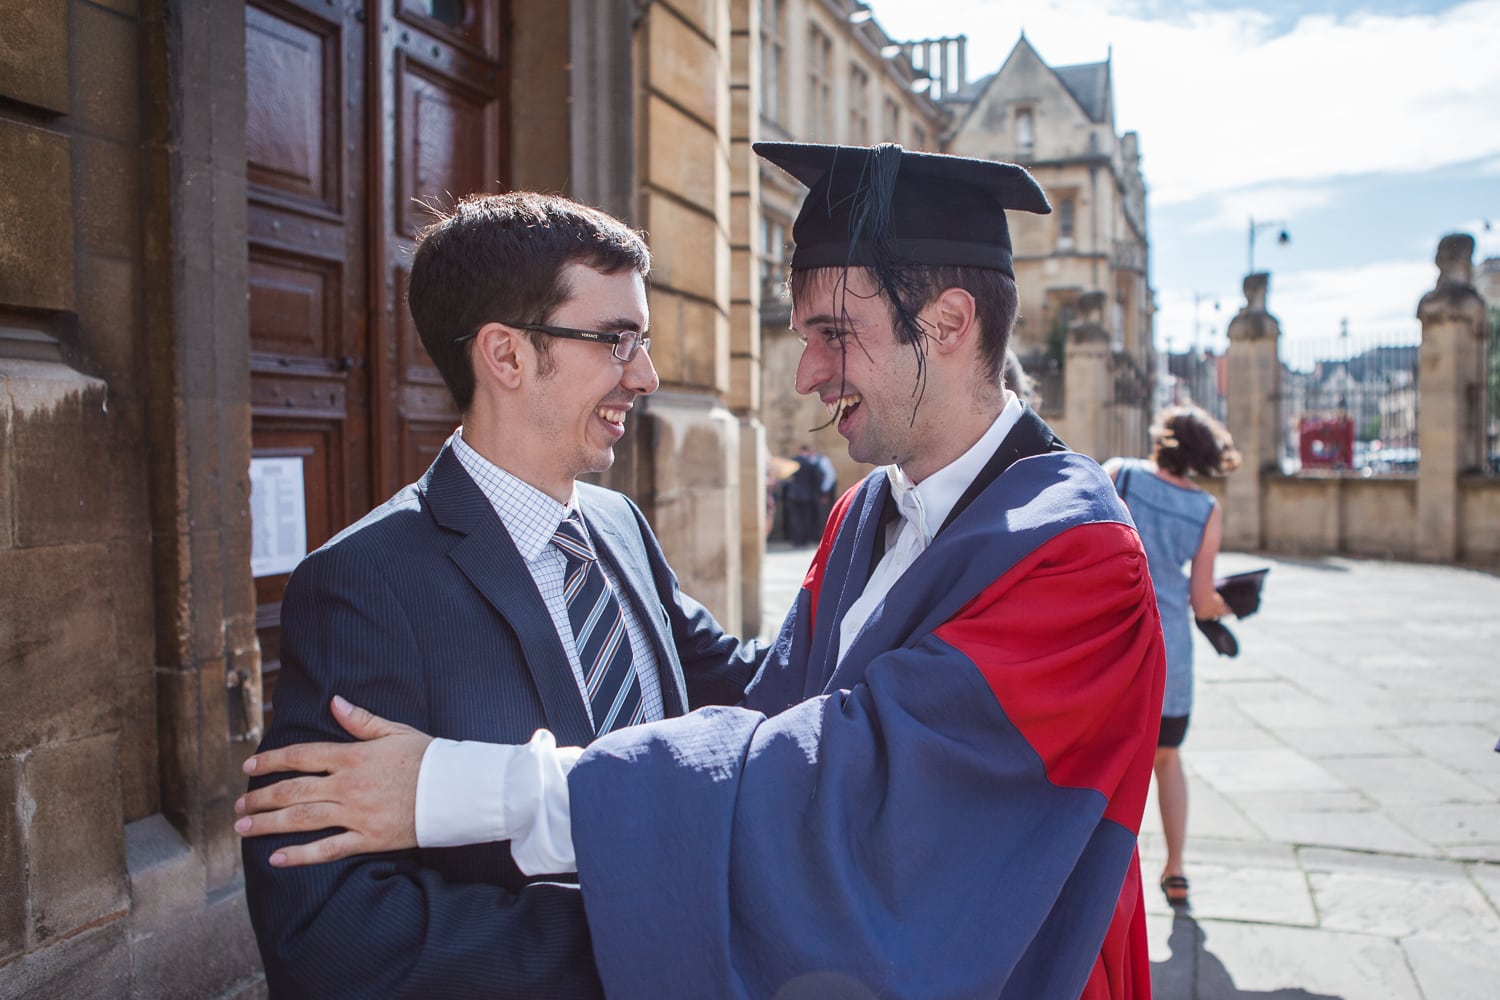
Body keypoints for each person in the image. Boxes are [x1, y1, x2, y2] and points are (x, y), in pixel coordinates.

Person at [238, 143, 1167, 999]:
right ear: (506, 354)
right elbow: (766, 705)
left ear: (951, 322)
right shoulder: (861, 518)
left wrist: (463, 789)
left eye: (835, 333)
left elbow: (844, 776)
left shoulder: (1076, 556)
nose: (806, 374)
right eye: (617, 341)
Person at [239, 191, 766, 998]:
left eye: (644, 341)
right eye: (617, 340)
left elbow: (748, 687)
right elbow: (328, 930)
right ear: (507, 355)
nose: (648, 376)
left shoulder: (621, 525)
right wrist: (644, 936)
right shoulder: (364, 584)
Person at [1103, 404, 1240, 908]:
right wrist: (1233, 602)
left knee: (1109, 765)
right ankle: (1176, 870)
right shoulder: (1206, 509)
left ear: (1162, 439)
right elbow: (1203, 601)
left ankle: (1107, 874)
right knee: (1168, 759)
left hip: (1115, 642)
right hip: (1171, 654)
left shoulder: (1121, 474)